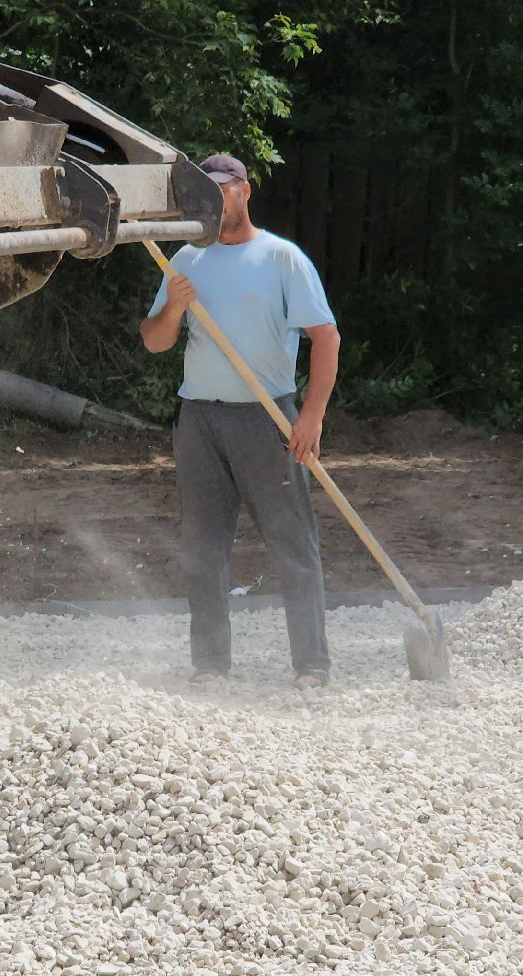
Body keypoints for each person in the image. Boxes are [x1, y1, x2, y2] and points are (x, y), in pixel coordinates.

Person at [139, 153, 341, 688]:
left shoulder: (281, 258)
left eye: (222, 188)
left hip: (266, 418)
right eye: (204, 189)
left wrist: (312, 416)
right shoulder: (185, 259)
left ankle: (311, 666)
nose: (213, 197)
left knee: (292, 542)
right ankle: (209, 663)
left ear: (244, 191)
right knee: (202, 546)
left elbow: (326, 337)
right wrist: (174, 307)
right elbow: (155, 341)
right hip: (199, 420)